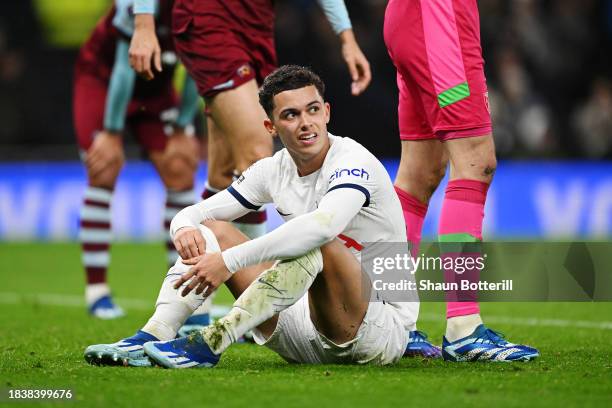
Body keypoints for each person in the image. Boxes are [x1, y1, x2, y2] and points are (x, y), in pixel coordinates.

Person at [84, 65, 459, 368]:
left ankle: (213, 341)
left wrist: (228, 262)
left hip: (376, 330)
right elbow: (199, 212)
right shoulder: (273, 169)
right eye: (290, 115)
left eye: (313, 110)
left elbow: (323, 226)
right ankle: (153, 335)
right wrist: (182, 225)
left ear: (327, 112)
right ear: (271, 126)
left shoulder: (353, 161)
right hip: (299, 328)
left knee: (318, 240)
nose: (306, 123)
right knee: (214, 230)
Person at [128, 0, 372, 240]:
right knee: (256, 153)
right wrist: (143, 24)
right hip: (208, 20)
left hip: (258, 27)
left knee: (223, 178)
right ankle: (259, 277)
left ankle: (184, 274)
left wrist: (347, 38)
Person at [383, 0, 539, 360]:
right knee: (475, 161)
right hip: (441, 26)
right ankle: (463, 327)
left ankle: (392, 321)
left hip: (416, 22)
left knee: (419, 175)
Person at [74, 0, 201, 319]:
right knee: (104, 164)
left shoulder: (204, 8)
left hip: (154, 90)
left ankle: (182, 288)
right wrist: (112, 132)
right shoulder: (137, 5)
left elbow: (197, 71)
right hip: (102, 82)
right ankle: (97, 291)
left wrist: (183, 125)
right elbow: (123, 65)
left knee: (180, 167)